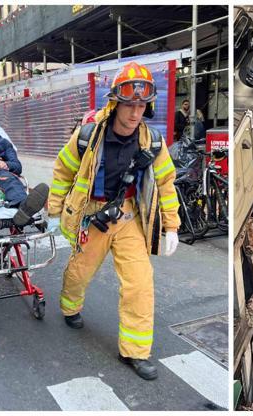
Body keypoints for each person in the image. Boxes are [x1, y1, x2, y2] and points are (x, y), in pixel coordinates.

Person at [47, 61, 180, 380]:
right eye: (129, 104)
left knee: (140, 281)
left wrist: (172, 225)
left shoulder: (153, 142)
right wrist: (54, 212)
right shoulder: (89, 136)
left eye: (141, 105)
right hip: (92, 214)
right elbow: (63, 171)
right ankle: (70, 306)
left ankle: (135, 351)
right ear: (116, 102)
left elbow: (165, 183)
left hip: (129, 215)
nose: (135, 113)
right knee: (79, 272)